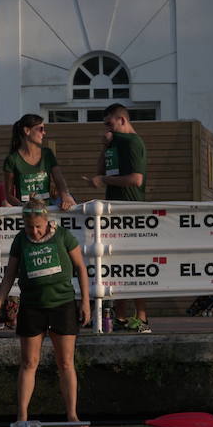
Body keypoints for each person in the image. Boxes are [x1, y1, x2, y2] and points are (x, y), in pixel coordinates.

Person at [0, 198, 91, 423]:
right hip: (33, 306)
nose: (34, 231)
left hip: (62, 304)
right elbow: (9, 276)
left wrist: (85, 302)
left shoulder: (63, 236)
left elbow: (81, 268)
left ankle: (72, 415)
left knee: (65, 363)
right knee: (29, 362)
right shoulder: (20, 240)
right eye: (29, 227)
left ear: (46, 222)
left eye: (38, 227)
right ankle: (22, 416)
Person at [82, 103, 150, 333]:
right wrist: (105, 146)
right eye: (104, 125)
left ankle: (141, 315)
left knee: (135, 263)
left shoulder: (132, 142)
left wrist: (104, 181)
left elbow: (136, 179)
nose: (107, 129)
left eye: (110, 123)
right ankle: (119, 315)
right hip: (114, 209)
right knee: (116, 264)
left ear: (122, 119)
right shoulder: (114, 142)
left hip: (130, 208)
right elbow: (100, 171)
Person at [2, 114, 75, 211]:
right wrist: (23, 207)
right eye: (40, 129)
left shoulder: (47, 154)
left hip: (46, 213)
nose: (44, 133)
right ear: (27, 131)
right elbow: (9, 195)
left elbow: (59, 180)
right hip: (26, 216)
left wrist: (66, 195)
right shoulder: (12, 160)